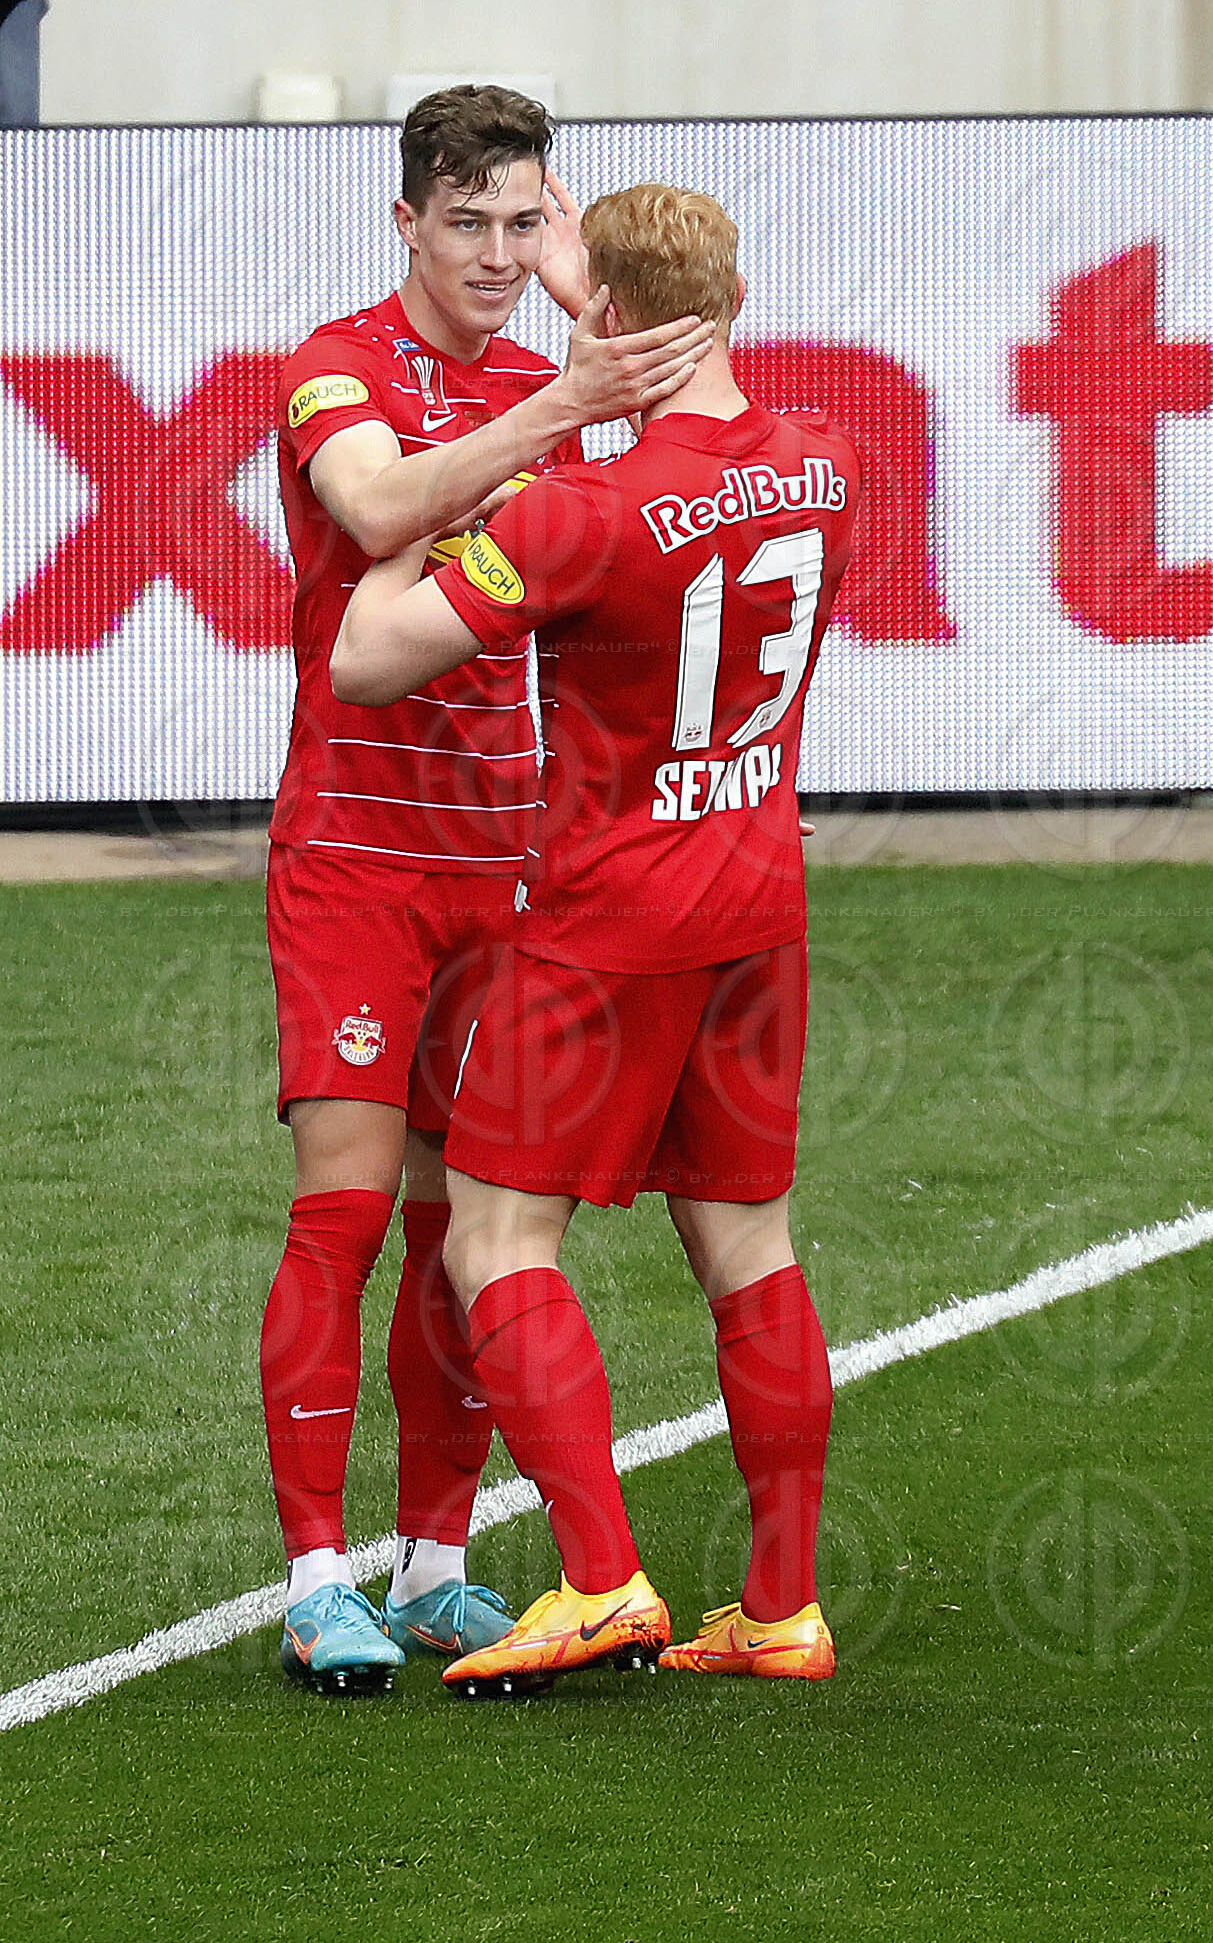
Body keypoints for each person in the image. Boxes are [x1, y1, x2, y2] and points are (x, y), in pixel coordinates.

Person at [330, 182, 860, 1696]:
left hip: (608, 918)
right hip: (759, 907)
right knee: (748, 1245)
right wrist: (606, 317)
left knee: (499, 1235)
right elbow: (706, 460)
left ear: (609, 318)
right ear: (733, 298)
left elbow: (370, 661)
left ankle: (600, 1576)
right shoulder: (830, 465)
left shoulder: (582, 513)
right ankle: (779, 1608)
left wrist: (439, 501)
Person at [266, 86, 712, 1694]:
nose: (495, 255)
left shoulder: (555, 360)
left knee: (471, 1223)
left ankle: (437, 1560)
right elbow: (379, 507)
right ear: (407, 224)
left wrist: (598, 309)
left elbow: (728, 442)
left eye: (526, 224)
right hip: (360, 861)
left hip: (510, 857)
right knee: (345, 1213)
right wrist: (561, 399)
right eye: (466, 224)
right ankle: (318, 1577)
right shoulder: (339, 362)